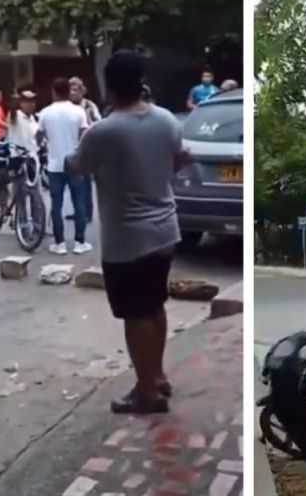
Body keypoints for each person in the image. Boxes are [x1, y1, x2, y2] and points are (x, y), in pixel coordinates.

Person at [66, 51, 189, 414]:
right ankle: (158, 375)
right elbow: (181, 158)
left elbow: (75, 166)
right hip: (165, 230)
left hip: (127, 240)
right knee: (154, 305)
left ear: (109, 85)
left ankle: (146, 391)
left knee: (136, 316)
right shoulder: (166, 119)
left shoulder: (104, 130)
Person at [37, 78, 91, 256]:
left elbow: (38, 136)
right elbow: (85, 135)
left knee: (56, 204)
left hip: (55, 165)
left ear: (53, 91)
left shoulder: (45, 113)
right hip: (75, 163)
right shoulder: (78, 112)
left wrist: (47, 142)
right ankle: (79, 242)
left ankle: (59, 243)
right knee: (79, 203)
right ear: (68, 91)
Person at [69, 77, 101, 224]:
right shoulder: (67, 106)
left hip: (86, 147)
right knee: (74, 182)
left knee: (85, 182)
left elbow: (98, 122)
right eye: (71, 89)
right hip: (70, 146)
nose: (73, 93)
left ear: (82, 91)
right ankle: (78, 211)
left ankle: (87, 213)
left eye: (76, 89)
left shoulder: (89, 106)